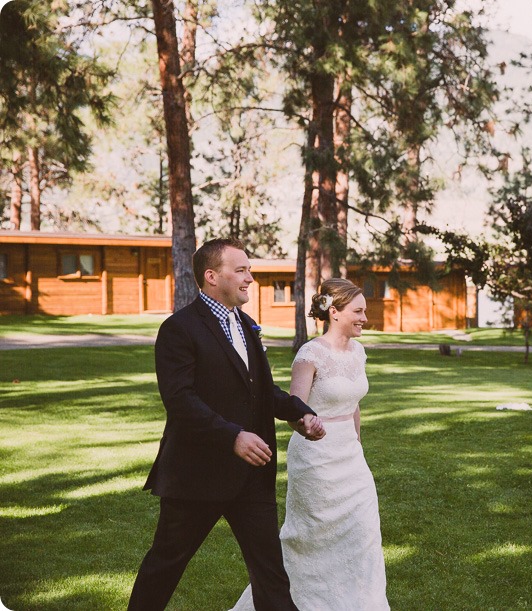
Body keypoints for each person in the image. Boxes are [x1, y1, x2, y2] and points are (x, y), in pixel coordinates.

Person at [128, 238, 326, 611]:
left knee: (270, 572)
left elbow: (262, 390)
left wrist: (299, 412)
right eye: (241, 270)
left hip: (252, 475)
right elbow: (180, 401)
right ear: (211, 276)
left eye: (249, 269)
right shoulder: (179, 328)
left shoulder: (247, 324)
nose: (250, 277)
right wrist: (232, 436)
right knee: (166, 565)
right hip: (196, 475)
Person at [232, 278, 389, 610]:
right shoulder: (311, 354)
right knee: (313, 536)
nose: (365, 317)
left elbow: (354, 405)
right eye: (358, 310)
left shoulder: (359, 351)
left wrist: (358, 446)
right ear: (334, 312)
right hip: (316, 457)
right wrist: (306, 425)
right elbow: (292, 409)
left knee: (362, 533)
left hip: (351, 457)